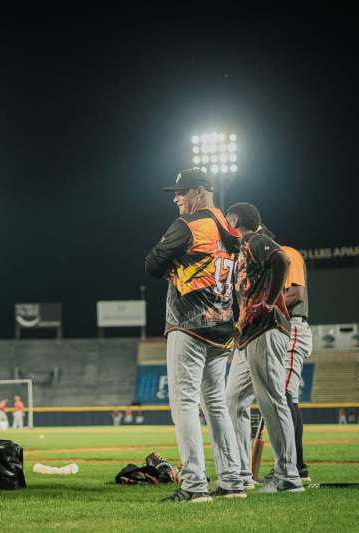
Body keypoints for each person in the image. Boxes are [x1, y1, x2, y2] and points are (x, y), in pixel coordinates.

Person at [145, 168, 245, 503]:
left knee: (184, 405)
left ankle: (194, 485)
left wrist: (168, 268)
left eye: (182, 192)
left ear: (200, 191)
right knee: (216, 405)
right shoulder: (231, 228)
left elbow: (152, 262)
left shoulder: (188, 225)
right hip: (222, 325)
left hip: (189, 323)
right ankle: (233, 481)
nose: (176, 198)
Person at [225, 202, 303, 493]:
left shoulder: (256, 239)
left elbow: (281, 260)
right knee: (232, 400)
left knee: (271, 399)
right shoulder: (243, 248)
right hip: (248, 335)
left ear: (235, 221)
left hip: (268, 329)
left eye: (227, 222)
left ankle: (288, 476)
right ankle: (242, 472)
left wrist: (269, 302)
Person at [279, 244, 312, 481]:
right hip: (279, 328)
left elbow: (296, 294)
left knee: (285, 395)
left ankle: (297, 466)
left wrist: (265, 307)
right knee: (284, 397)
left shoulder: (286, 254)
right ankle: (295, 465)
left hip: (293, 326)